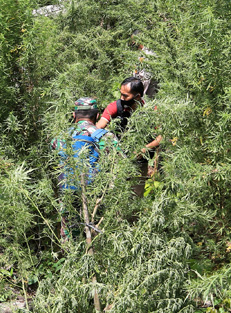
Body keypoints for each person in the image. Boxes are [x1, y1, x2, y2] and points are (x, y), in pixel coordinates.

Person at [51, 98, 120, 239]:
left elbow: (55, 159)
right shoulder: (107, 137)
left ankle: (71, 256)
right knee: (97, 234)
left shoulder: (61, 138)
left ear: (73, 115)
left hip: (69, 192)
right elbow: (120, 162)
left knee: (70, 235)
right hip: (96, 195)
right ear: (98, 115)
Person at [97, 77, 162, 196]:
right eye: (121, 94)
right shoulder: (115, 106)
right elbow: (98, 128)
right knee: (115, 197)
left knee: (135, 199)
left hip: (139, 163)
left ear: (137, 96)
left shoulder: (150, 110)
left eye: (125, 96)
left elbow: (161, 137)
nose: (122, 98)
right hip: (117, 162)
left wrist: (145, 149)